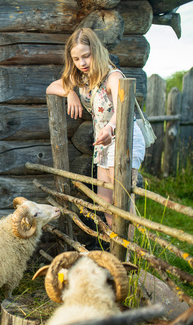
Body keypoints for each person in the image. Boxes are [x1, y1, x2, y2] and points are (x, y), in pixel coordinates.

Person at [46, 28, 145, 229]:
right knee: (104, 200)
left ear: (97, 52)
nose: (81, 63)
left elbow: (121, 109)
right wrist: (70, 93)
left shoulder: (113, 77)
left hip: (123, 138)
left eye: (86, 56)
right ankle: (116, 248)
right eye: (76, 59)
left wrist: (109, 128)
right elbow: (50, 87)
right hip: (104, 141)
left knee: (121, 198)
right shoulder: (84, 78)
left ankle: (134, 250)